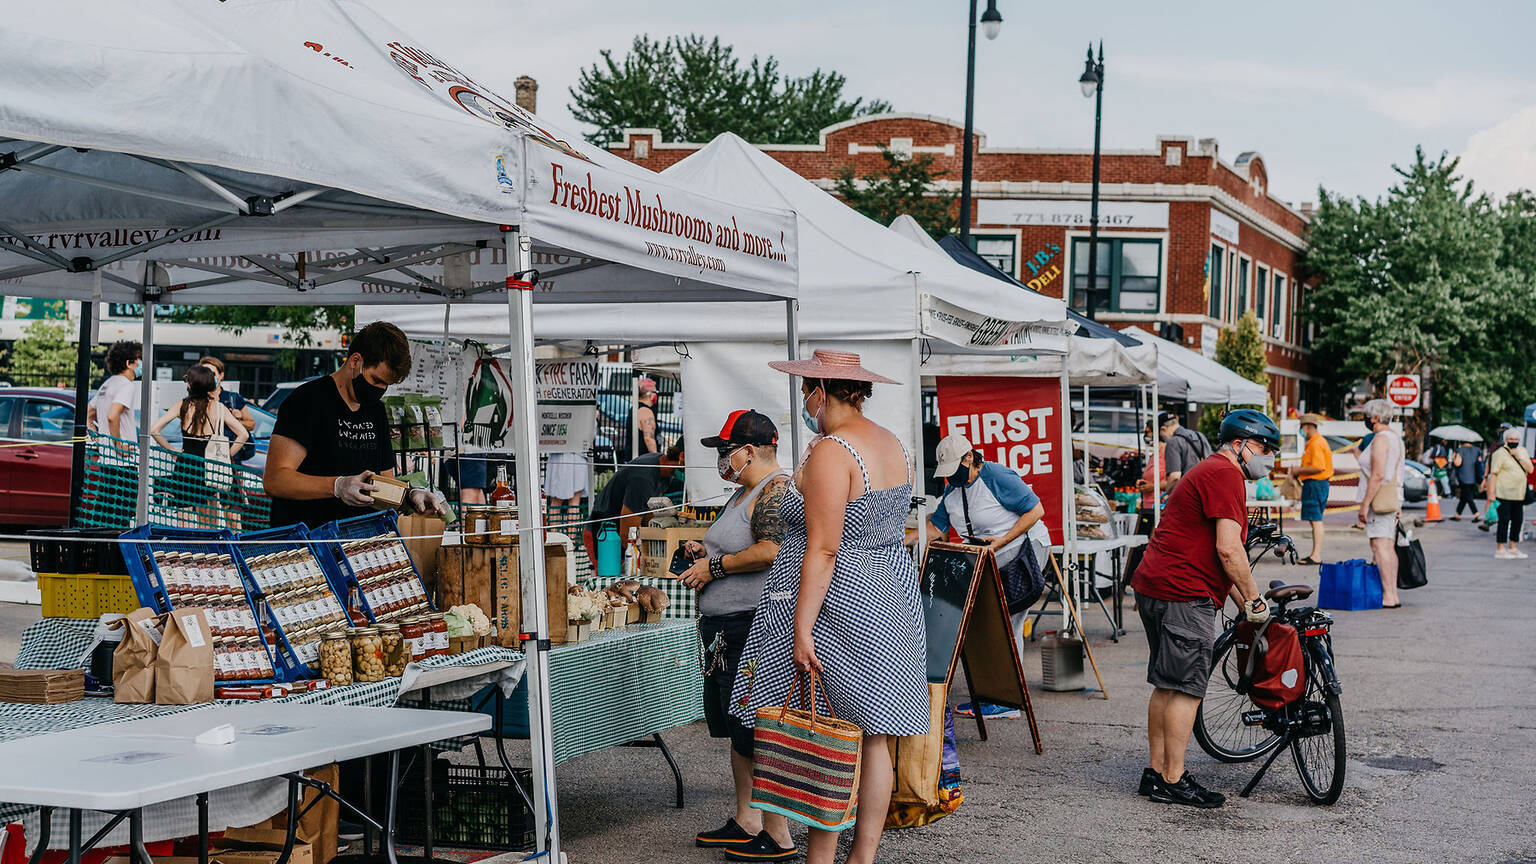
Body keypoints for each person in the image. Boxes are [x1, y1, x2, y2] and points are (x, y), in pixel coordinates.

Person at [731, 350, 928, 864]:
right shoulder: (892, 444)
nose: (802, 400)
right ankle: (861, 858)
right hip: (891, 591)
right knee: (876, 736)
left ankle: (821, 858)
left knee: (829, 736)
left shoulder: (833, 452)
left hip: (842, 600)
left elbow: (823, 547)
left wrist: (802, 626)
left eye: (804, 391)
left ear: (822, 390)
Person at [1130, 409, 1275, 809]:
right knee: (1187, 688)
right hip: (1183, 593)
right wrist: (1256, 600)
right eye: (1264, 447)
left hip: (1155, 585)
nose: (1269, 456)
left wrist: (1244, 604)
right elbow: (1229, 549)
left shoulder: (1210, 470)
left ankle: (1157, 773)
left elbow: (1220, 557)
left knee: (1166, 683)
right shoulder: (1227, 475)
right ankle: (1173, 779)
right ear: (1241, 444)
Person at [677, 410, 795, 861]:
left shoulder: (775, 490)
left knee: (756, 728)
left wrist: (716, 565)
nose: (722, 461)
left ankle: (778, 833)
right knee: (736, 727)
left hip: (750, 626)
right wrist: (701, 551)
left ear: (749, 451)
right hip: (726, 627)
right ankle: (748, 820)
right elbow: (739, 544)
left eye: (727, 452)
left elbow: (772, 549)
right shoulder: (743, 493)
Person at [908, 433, 1045, 717]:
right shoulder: (952, 489)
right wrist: (904, 537)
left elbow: (1035, 511)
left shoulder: (996, 476)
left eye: (955, 470)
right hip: (985, 557)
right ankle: (991, 693)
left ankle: (1007, 701)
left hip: (1020, 553)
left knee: (1008, 622)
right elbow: (936, 527)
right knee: (986, 623)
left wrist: (1001, 540)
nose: (951, 478)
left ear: (970, 458)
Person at [262, 322, 444, 529]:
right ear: (355, 360)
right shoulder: (307, 400)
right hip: (307, 543)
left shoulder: (376, 411)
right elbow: (275, 479)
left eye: (386, 385)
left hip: (358, 546)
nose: (380, 389)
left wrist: (410, 496)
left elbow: (384, 485)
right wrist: (337, 486)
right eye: (376, 380)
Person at [150, 365, 249, 526]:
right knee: (210, 520)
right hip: (211, 465)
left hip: (186, 465)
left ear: (190, 385)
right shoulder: (218, 408)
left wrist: (172, 451)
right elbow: (243, 434)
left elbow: (154, 429)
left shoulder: (182, 406)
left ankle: (187, 548)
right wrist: (227, 454)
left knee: (184, 515)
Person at [583, 441, 684, 569]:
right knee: (612, 582)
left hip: (616, 534)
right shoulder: (643, 478)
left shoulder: (664, 471)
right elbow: (627, 530)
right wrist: (639, 559)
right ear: (682, 456)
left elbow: (650, 514)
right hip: (605, 535)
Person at [1355, 399, 1403, 608]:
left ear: (1375, 418)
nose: (1365, 419)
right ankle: (1392, 593)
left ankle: (1389, 595)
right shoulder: (1394, 438)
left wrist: (1365, 504)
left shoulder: (1381, 438)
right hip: (1392, 496)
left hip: (1379, 498)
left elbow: (1378, 474)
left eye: (1367, 415)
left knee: (1379, 544)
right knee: (1387, 544)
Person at [1487, 427, 1533, 559]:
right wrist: (1491, 493)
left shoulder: (1522, 451)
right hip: (1503, 493)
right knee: (1504, 520)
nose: (1514, 441)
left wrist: (1519, 458)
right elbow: (1494, 474)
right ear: (1505, 440)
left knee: (1518, 520)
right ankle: (1500, 548)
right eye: (1511, 439)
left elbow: (1530, 469)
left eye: (1516, 439)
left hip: (1519, 494)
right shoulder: (1499, 453)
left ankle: (1513, 546)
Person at [1294, 413, 1334, 564]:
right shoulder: (1316, 442)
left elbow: (1318, 467)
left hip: (1315, 484)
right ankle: (1315, 553)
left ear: (1308, 426)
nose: (1302, 430)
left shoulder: (1316, 443)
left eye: (1303, 427)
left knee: (1316, 520)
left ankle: (1316, 555)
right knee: (1315, 520)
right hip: (1318, 484)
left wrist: (1299, 470)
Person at [88, 341, 142, 440]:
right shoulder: (127, 385)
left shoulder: (107, 384)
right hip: (123, 454)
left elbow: (88, 414)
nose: (141, 364)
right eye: (139, 359)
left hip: (105, 452)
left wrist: (95, 438)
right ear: (128, 363)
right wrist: (118, 445)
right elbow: (112, 416)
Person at [1158, 411, 1212, 493]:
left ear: (1163, 429)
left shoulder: (1173, 442)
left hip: (1188, 493)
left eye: (1162, 436)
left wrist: (1168, 491)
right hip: (1206, 489)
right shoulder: (1200, 436)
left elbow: (1175, 477)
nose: (1164, 439)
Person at [1451, 438, 1485, 520]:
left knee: (1468, 496)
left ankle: (1476, 514)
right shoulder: (1477, 450)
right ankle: (1458, 514)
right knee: (1464, 497)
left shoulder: (1460, 450)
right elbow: (1480, 462)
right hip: (1474, 476)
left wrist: (1454, 457)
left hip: (1463, 476)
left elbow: (1457, 463)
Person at [633, 376, 660, 458]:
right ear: (650, 394)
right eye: (656, 392)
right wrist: (656, 458)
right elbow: (649, 439)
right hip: (644, 460)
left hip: (636, 459)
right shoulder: (646, 411)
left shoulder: (635, 408)